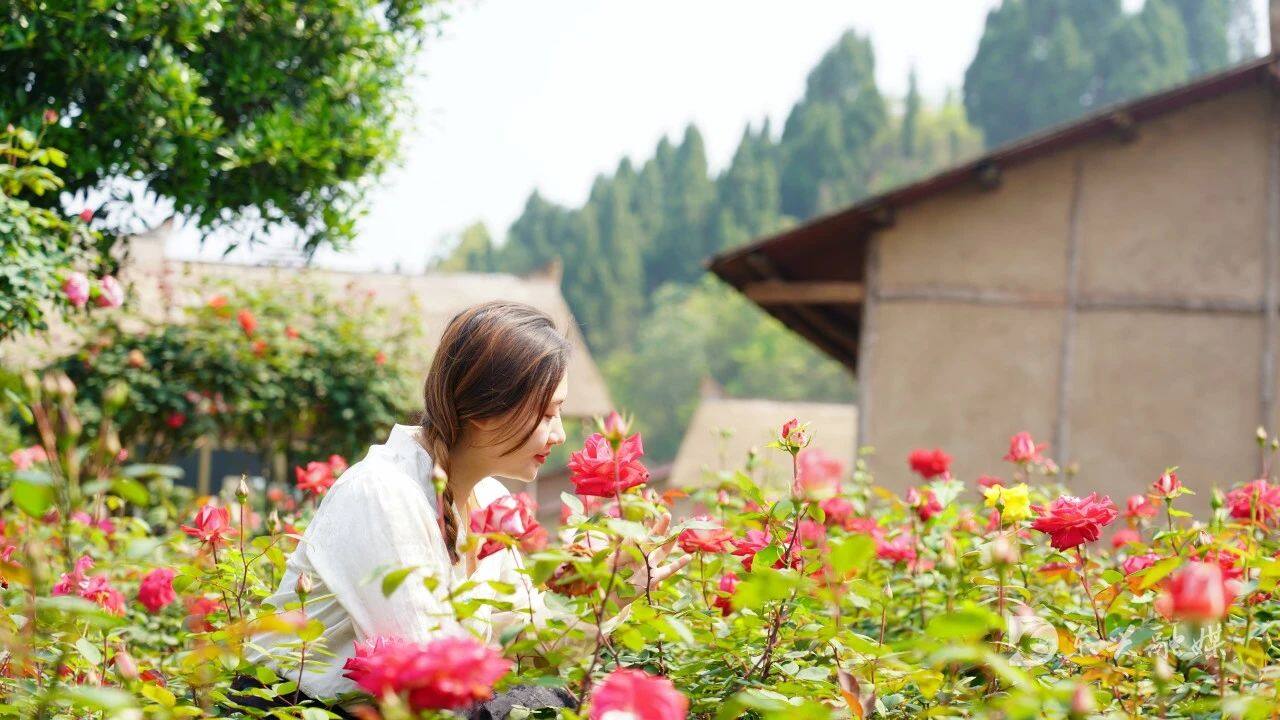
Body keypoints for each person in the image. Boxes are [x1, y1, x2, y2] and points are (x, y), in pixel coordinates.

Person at [229, 301, 688, 717]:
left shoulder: (488, 499)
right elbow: (428, 680)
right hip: (289, 708)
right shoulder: (383, 492)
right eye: (548, 414)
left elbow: (527, 649)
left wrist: (614, 594)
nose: (559, 435)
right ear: (486, 410)